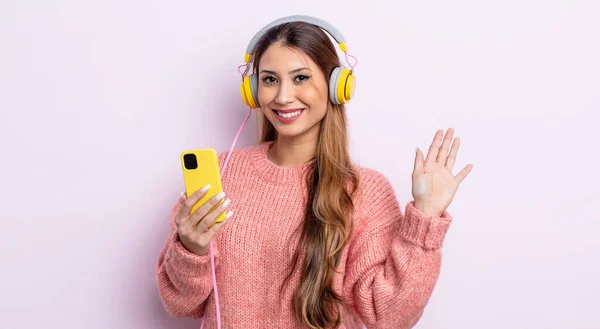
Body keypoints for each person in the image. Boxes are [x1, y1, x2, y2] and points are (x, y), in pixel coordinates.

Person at [155, 15, 473, 329]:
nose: (282, 96)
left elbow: (387, 315)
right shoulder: (222, 174)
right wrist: (190, 249)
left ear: (337, 86)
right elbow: (181, 304)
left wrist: (426, 217)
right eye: (269, 79)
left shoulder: (365, 191)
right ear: (253, 90)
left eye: (301, 78)